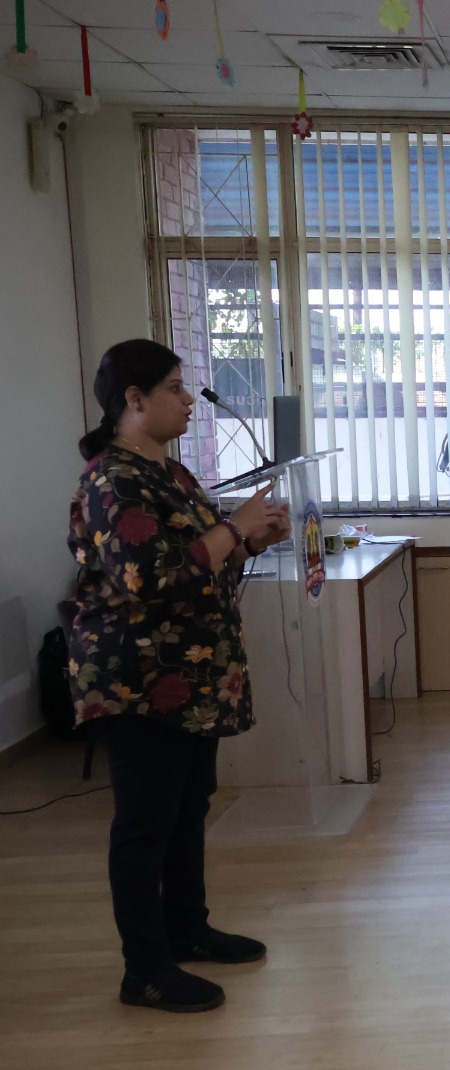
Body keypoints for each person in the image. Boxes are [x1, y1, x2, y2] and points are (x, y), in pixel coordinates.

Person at [68, 339, 293, 1014]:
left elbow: (201, 556)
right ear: (134, 400)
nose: (188, 399)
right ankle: (145, 970)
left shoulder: (170, 473)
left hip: (190, 678)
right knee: (145, 824)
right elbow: (148, 576)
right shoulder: (113, 480)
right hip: (137, 681)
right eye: (173, 387)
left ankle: (186, 928)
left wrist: (252, 538)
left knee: (189, 807)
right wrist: (235, 529)